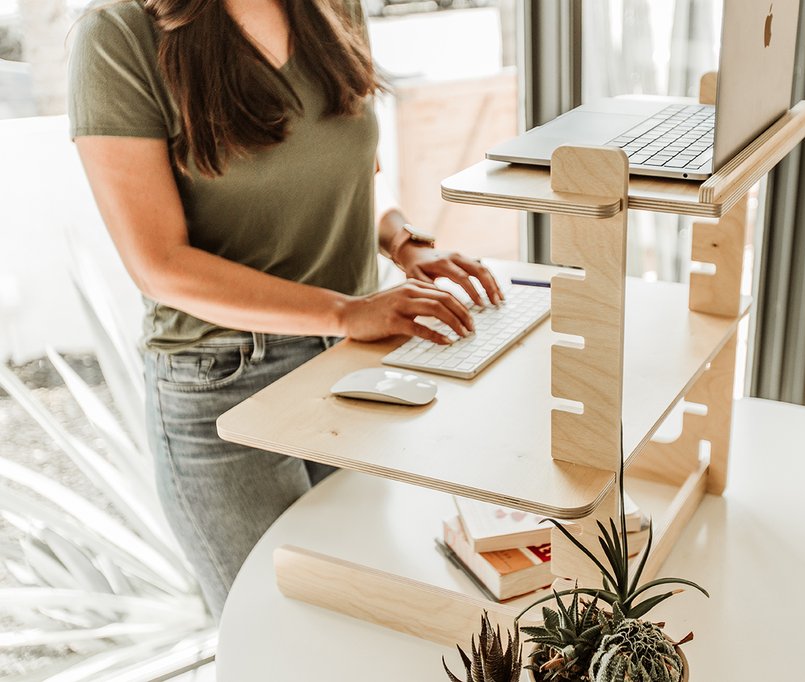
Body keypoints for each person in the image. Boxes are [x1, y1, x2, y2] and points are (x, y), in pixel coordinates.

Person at [68, 0, 502, 618]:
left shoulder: (332, 7)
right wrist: (346, 311)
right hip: (224, 387)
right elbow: (158, 263)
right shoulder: (117, 37)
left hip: (353, 370)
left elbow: (350, 165)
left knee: (359, 619)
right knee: (273, 637)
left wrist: (404, 241)